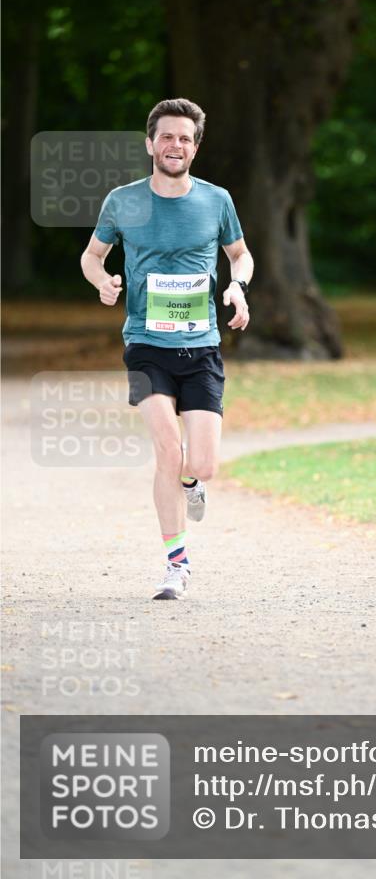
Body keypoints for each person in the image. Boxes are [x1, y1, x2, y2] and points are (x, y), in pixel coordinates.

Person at [81, 98, 254, 600]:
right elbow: (92, 256)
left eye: (184, 138)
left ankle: (192, 483)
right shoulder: (123, 201)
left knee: (202, 465)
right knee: (166, 449)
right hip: (145, 344)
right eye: (167, 137)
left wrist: (238, 287)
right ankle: (176, 565)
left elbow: (240, 255)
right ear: (150, 144)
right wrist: (102, 281)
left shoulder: (217, 200)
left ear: (195, 148)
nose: (175, 145)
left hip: (201, 348)